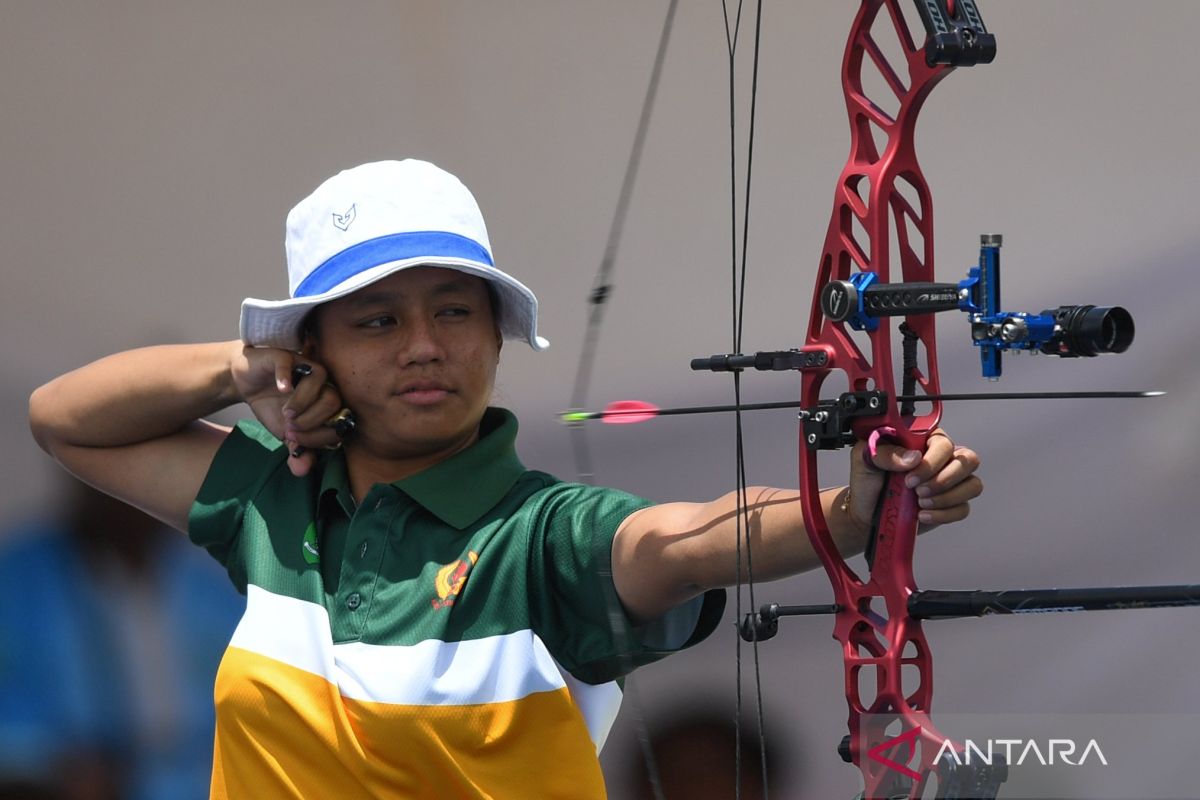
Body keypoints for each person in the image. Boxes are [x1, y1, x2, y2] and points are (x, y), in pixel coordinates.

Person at [28, 159, 981, 799]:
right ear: (308, 350)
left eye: (454, 311)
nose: (423, 347)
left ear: (494, 335)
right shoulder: (275, 504)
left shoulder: (543, 534)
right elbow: (64, 421)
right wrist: (242, 372)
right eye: (373, 321)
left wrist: (854, 509)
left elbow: (679, 542)